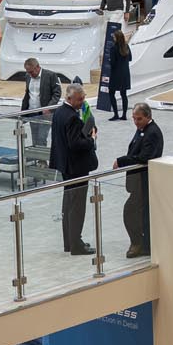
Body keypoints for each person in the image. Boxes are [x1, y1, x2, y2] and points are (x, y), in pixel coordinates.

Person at [114, 103, 162, 259]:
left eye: (139, 119)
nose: (136, 122)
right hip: (138, 181)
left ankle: (139, 243)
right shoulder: (142, 130)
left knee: (130, 212)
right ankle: (142, 242)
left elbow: (144, 157)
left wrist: (122, 161)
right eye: (134, 119)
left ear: (148, 117)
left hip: (144, 180)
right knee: (137, 213)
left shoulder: (152, 132)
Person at [54, 84, 98, 254]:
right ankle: (76, 244)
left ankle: (69, 242)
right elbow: (76, 144)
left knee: (68, 205)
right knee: (77, 206)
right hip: (76, 167)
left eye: (83, 98)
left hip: (65, 165)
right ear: (70, 98)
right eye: (80, 99)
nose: (82, 102)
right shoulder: (72, 117)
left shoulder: (59, 112)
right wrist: (91, 139)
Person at [107, 27, 132, 121]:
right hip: (125, 74)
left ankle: (116, 114)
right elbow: (130, 58)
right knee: (123, 94)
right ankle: (124, 115)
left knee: (111, 93)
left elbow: (112, 63)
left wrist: (110, 61)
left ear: (116, 38)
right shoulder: (126, 46)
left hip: (116, 74)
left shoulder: (113, 48)